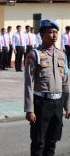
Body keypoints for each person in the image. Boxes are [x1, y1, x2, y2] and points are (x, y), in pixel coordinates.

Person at [24, 19, 70, 156]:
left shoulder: (62, 55)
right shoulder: (34, 55)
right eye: (50, 32)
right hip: (41, 104)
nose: (54, 35)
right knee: (39, 143)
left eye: (56, 32)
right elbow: (28, 83)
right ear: (42, 35)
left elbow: (66, 82)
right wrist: (29, 109)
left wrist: (67, 105)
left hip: (57, 103)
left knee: (52, 142)